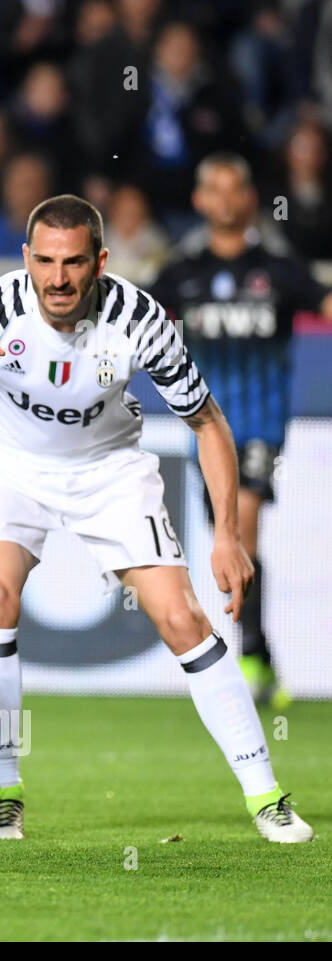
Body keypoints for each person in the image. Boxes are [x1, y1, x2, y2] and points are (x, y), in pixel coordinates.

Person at [0, 194, 313, 845]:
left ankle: (267, 798)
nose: (58, 279)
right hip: (9, 464)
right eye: (46, 262)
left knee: (182, 618)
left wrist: (227, 537)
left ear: (101, 262)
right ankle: (2, 794)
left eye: (74, 263)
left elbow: (207, 421)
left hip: (110, 469)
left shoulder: (140, 318)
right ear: (26, 258)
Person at [152, 153, 332, 707]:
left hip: (259, 427)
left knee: (242, 526)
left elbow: (323, 304)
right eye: (215, 190)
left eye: (236, 189)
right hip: (205, 430)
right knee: (228, 540)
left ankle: (248, 659)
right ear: (201, 200)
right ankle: (261, 656)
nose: (226, 200)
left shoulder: (277, 266)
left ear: (249, 198)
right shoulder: (182, 272)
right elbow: (134, 323)